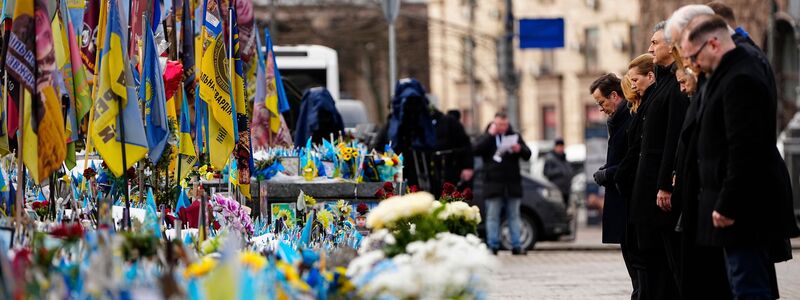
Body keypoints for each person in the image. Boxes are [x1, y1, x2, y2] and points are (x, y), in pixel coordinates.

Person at [679, 15, 799, 299]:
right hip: (736, 208)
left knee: (749, 288)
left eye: (694, 57)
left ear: (713, 44)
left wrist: (727, 204)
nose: (692, 65)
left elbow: (745, 149)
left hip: (743, 211)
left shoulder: (740, 77)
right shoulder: (726, 73)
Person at [589, 73, 639, 298]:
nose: (601, 109)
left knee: (638, 266)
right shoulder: (618, 119)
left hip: (630, 201)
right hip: (622, 198)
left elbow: (634, 160)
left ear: (615, 96)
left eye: (602, 102)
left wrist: (608, 173)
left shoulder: (630, 118)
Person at [615, 53, 656, 300]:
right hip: (637, 189)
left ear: (650, 76)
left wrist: (617, 174)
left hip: (649, 190)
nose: (632, 85)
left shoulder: (652, 102)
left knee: (647, 258)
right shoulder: (642, 106)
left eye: (635, 79)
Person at [473, 112, 532, 255]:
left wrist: (519, 149)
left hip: (512, 185)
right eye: (499, 125)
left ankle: (516, 245)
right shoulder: (488, 137)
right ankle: (493, 245)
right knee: (492, 216)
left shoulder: (514, 136)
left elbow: (528, 154)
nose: (502, 127)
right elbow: (475, 150)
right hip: (493, 184)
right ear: (494, 123)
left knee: (514, 216)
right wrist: (489, 135)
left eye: (504, 125)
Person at [372, 78, 437, 189]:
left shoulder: (392, 123)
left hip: (402, 164)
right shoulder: (424, 120)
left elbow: (377, 145)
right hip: (415, 163)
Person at [543, 139, 573, 205]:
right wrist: (559, 171)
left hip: (566, 190)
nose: (561, 148)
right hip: (556, 191)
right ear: (555, 147)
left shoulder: (563, 158)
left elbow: (568, 171)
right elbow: (546, 172)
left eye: (562, 146)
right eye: (559, 146)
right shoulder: (550, 158)